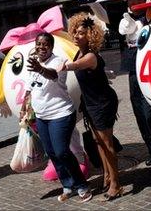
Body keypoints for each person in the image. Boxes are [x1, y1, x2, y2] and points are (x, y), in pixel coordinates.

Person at [20, 32, 92, 203]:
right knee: (52, 153)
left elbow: (52, 75)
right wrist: (24, 107)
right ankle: (68, 185)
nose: (41, 47)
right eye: (38, 44)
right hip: (42, 117)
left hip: (61, 114)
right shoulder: (34, 63)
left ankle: (82, 185)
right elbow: (30, 89)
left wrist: (40, 69)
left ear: (51, 47)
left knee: (62, 151)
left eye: (45, 44)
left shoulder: (59, 61)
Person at [60, 13, 122, 201]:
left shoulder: (90, 56)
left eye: (81, 34)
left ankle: (116, 184)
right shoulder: (78, 51)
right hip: (91, 104)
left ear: (90, 36)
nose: (77, 36)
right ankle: (107, 176)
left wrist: (59, 67)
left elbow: (75, 65)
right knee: (98, 143)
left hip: (103, 104)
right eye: (76, 33)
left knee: (107, 145)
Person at [118, 0, 151, 175]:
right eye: (130, 1)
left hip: (149, 71)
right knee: (140, 115)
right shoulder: (126, 20)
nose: (133, 4)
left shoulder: (150, 16)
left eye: (137, 0)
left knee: (150, 116)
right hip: (133, 70)